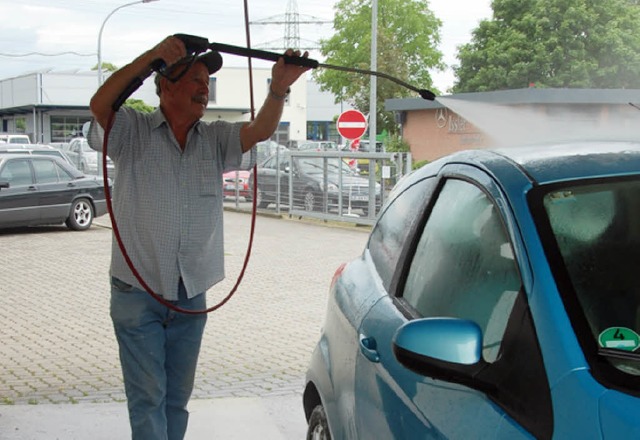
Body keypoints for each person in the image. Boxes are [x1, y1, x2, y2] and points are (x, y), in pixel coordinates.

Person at [88, 35, 309, 440]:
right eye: (195, 79)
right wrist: (150, 56)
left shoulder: (216, 138)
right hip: (138, 291)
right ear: (166, 84)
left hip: (191, 294)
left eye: (208, 83)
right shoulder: (132, 131)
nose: (205, 89)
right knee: (148, 397)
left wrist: (279, 86)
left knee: (176, 399)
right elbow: (100, 105)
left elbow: (260, 129)